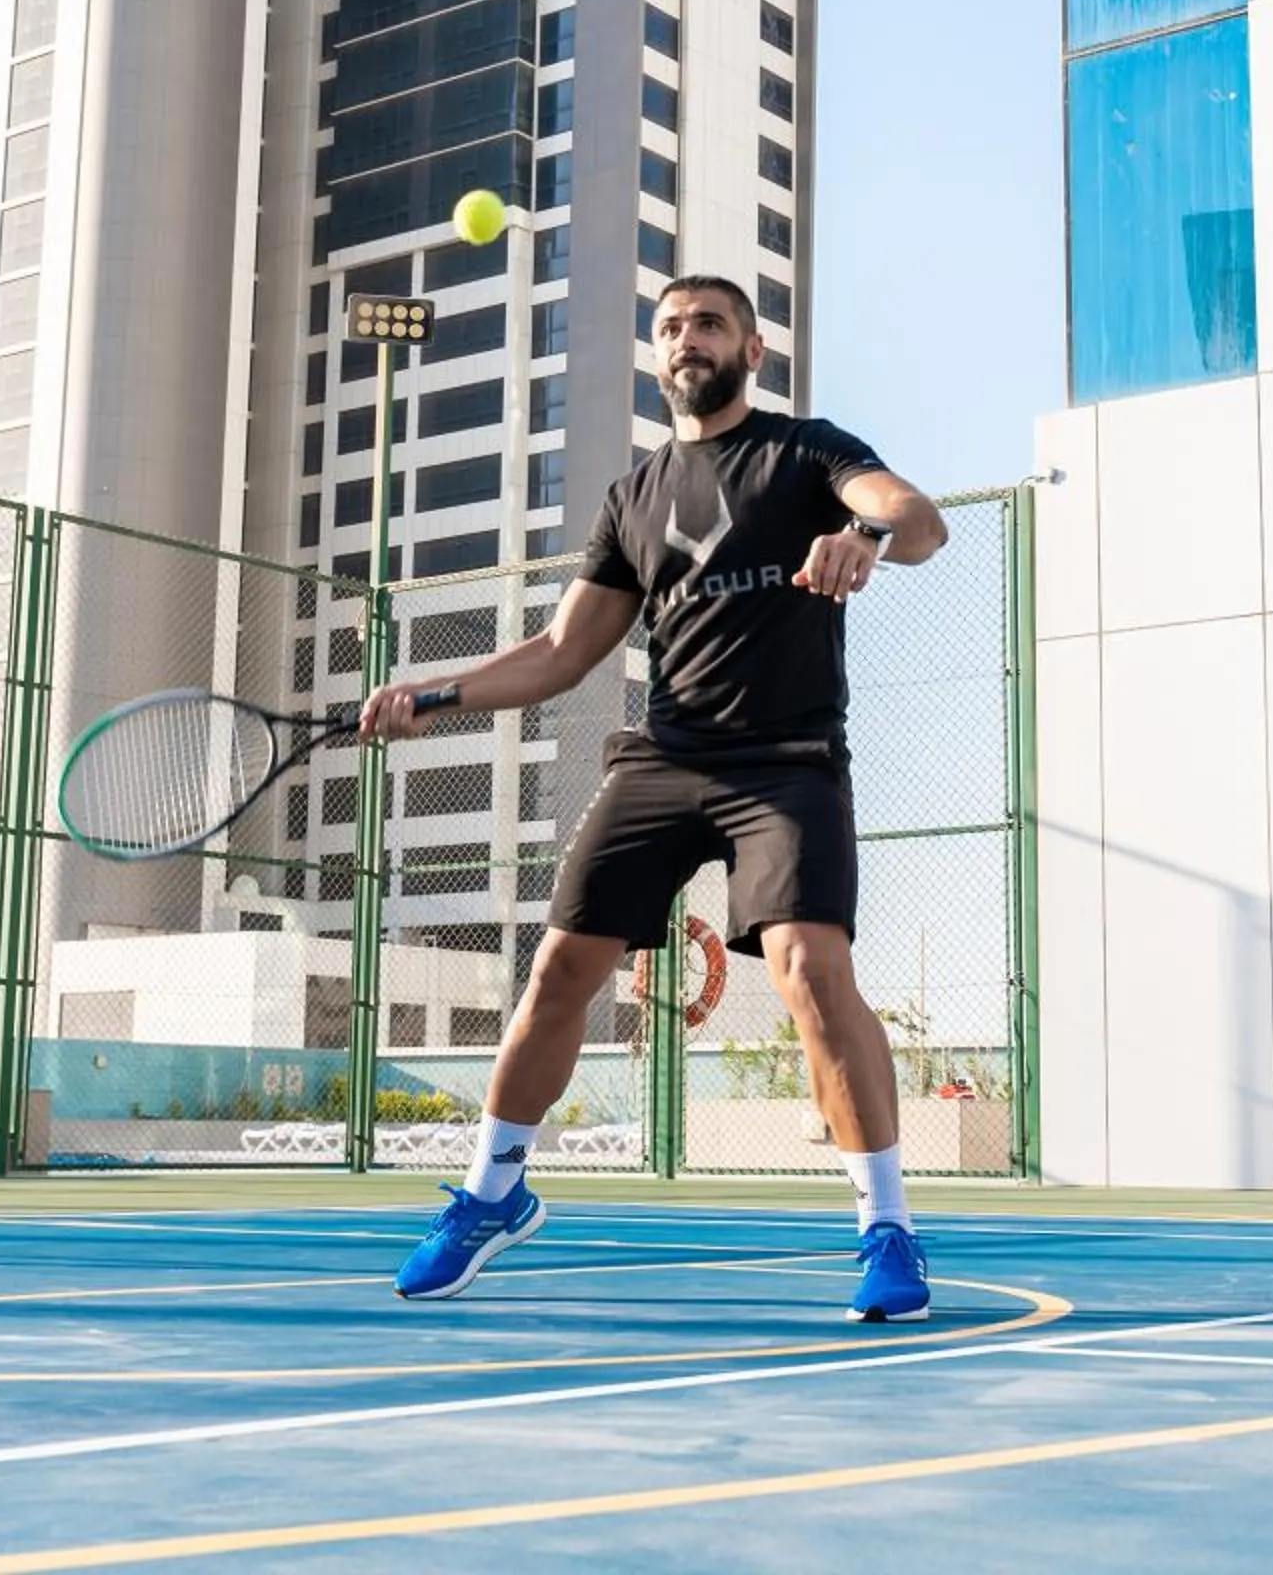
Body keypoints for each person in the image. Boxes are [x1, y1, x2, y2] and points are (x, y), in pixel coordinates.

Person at [358, 273, 949, 1321]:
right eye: (670, 325)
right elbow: (555, 654)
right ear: (657, 352)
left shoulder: (809, 452)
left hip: (789, 759)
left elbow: (918, 517)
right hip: (665, 758)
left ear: (751, 350)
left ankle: (886, 1227)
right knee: (558, 968)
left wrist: (864, 539)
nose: (687, 337)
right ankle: (492, 1195)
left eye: (709, 322)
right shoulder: (633, 496)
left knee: (811, 967)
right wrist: (431, 693)